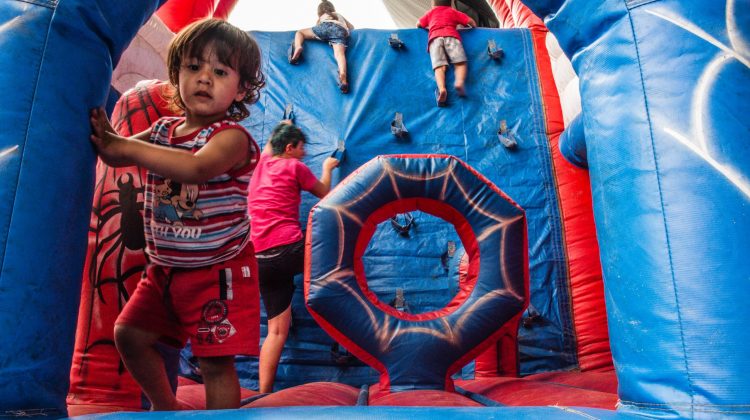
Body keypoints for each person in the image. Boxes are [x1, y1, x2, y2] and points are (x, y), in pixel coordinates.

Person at [89, 18, 265, 410]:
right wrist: (102, 130)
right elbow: (115, 151)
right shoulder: (163, 129)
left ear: (242, 89)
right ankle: (167, 410)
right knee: (130, 335)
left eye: (220, 72)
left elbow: (195, 169)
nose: (205, 78)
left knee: (214, 362)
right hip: (166, 269)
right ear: (176, 75)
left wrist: (124, 148)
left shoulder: (231, 138)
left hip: (217, 270)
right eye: (194, 67)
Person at [248, 122, 339, 393]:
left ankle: (263, 394)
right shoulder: (294, 167)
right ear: (289, 148)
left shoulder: (261, 165)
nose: (304, 155)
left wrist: (283, 125)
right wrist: (327, 169)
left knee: (276, 331)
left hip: (259, 259)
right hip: (288, 251)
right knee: (333, 241)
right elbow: (326, 195)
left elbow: (268, 146)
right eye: (301, 149)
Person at [417, 0, 476, 106]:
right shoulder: (452, 11)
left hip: (434, 39)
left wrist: (428, 27)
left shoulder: (430, 13)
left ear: (433, 4)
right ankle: (459, 82)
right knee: (460, 62)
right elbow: (470, 21)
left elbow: (418, 24)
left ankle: (442, 89)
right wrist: (474, 26)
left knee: (439, 67)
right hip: (451, 36)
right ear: (450, 3)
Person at [289, 0, 354, 93]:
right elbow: (352, 27)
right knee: (340, 55)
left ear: (319, 12)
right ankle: (343, 76)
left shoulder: (321, 18)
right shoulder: (338, 15)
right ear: (332, 8)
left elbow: (318, 28)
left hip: (325, 26)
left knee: (300, 32)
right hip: (340, 30)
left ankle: (298, 47)